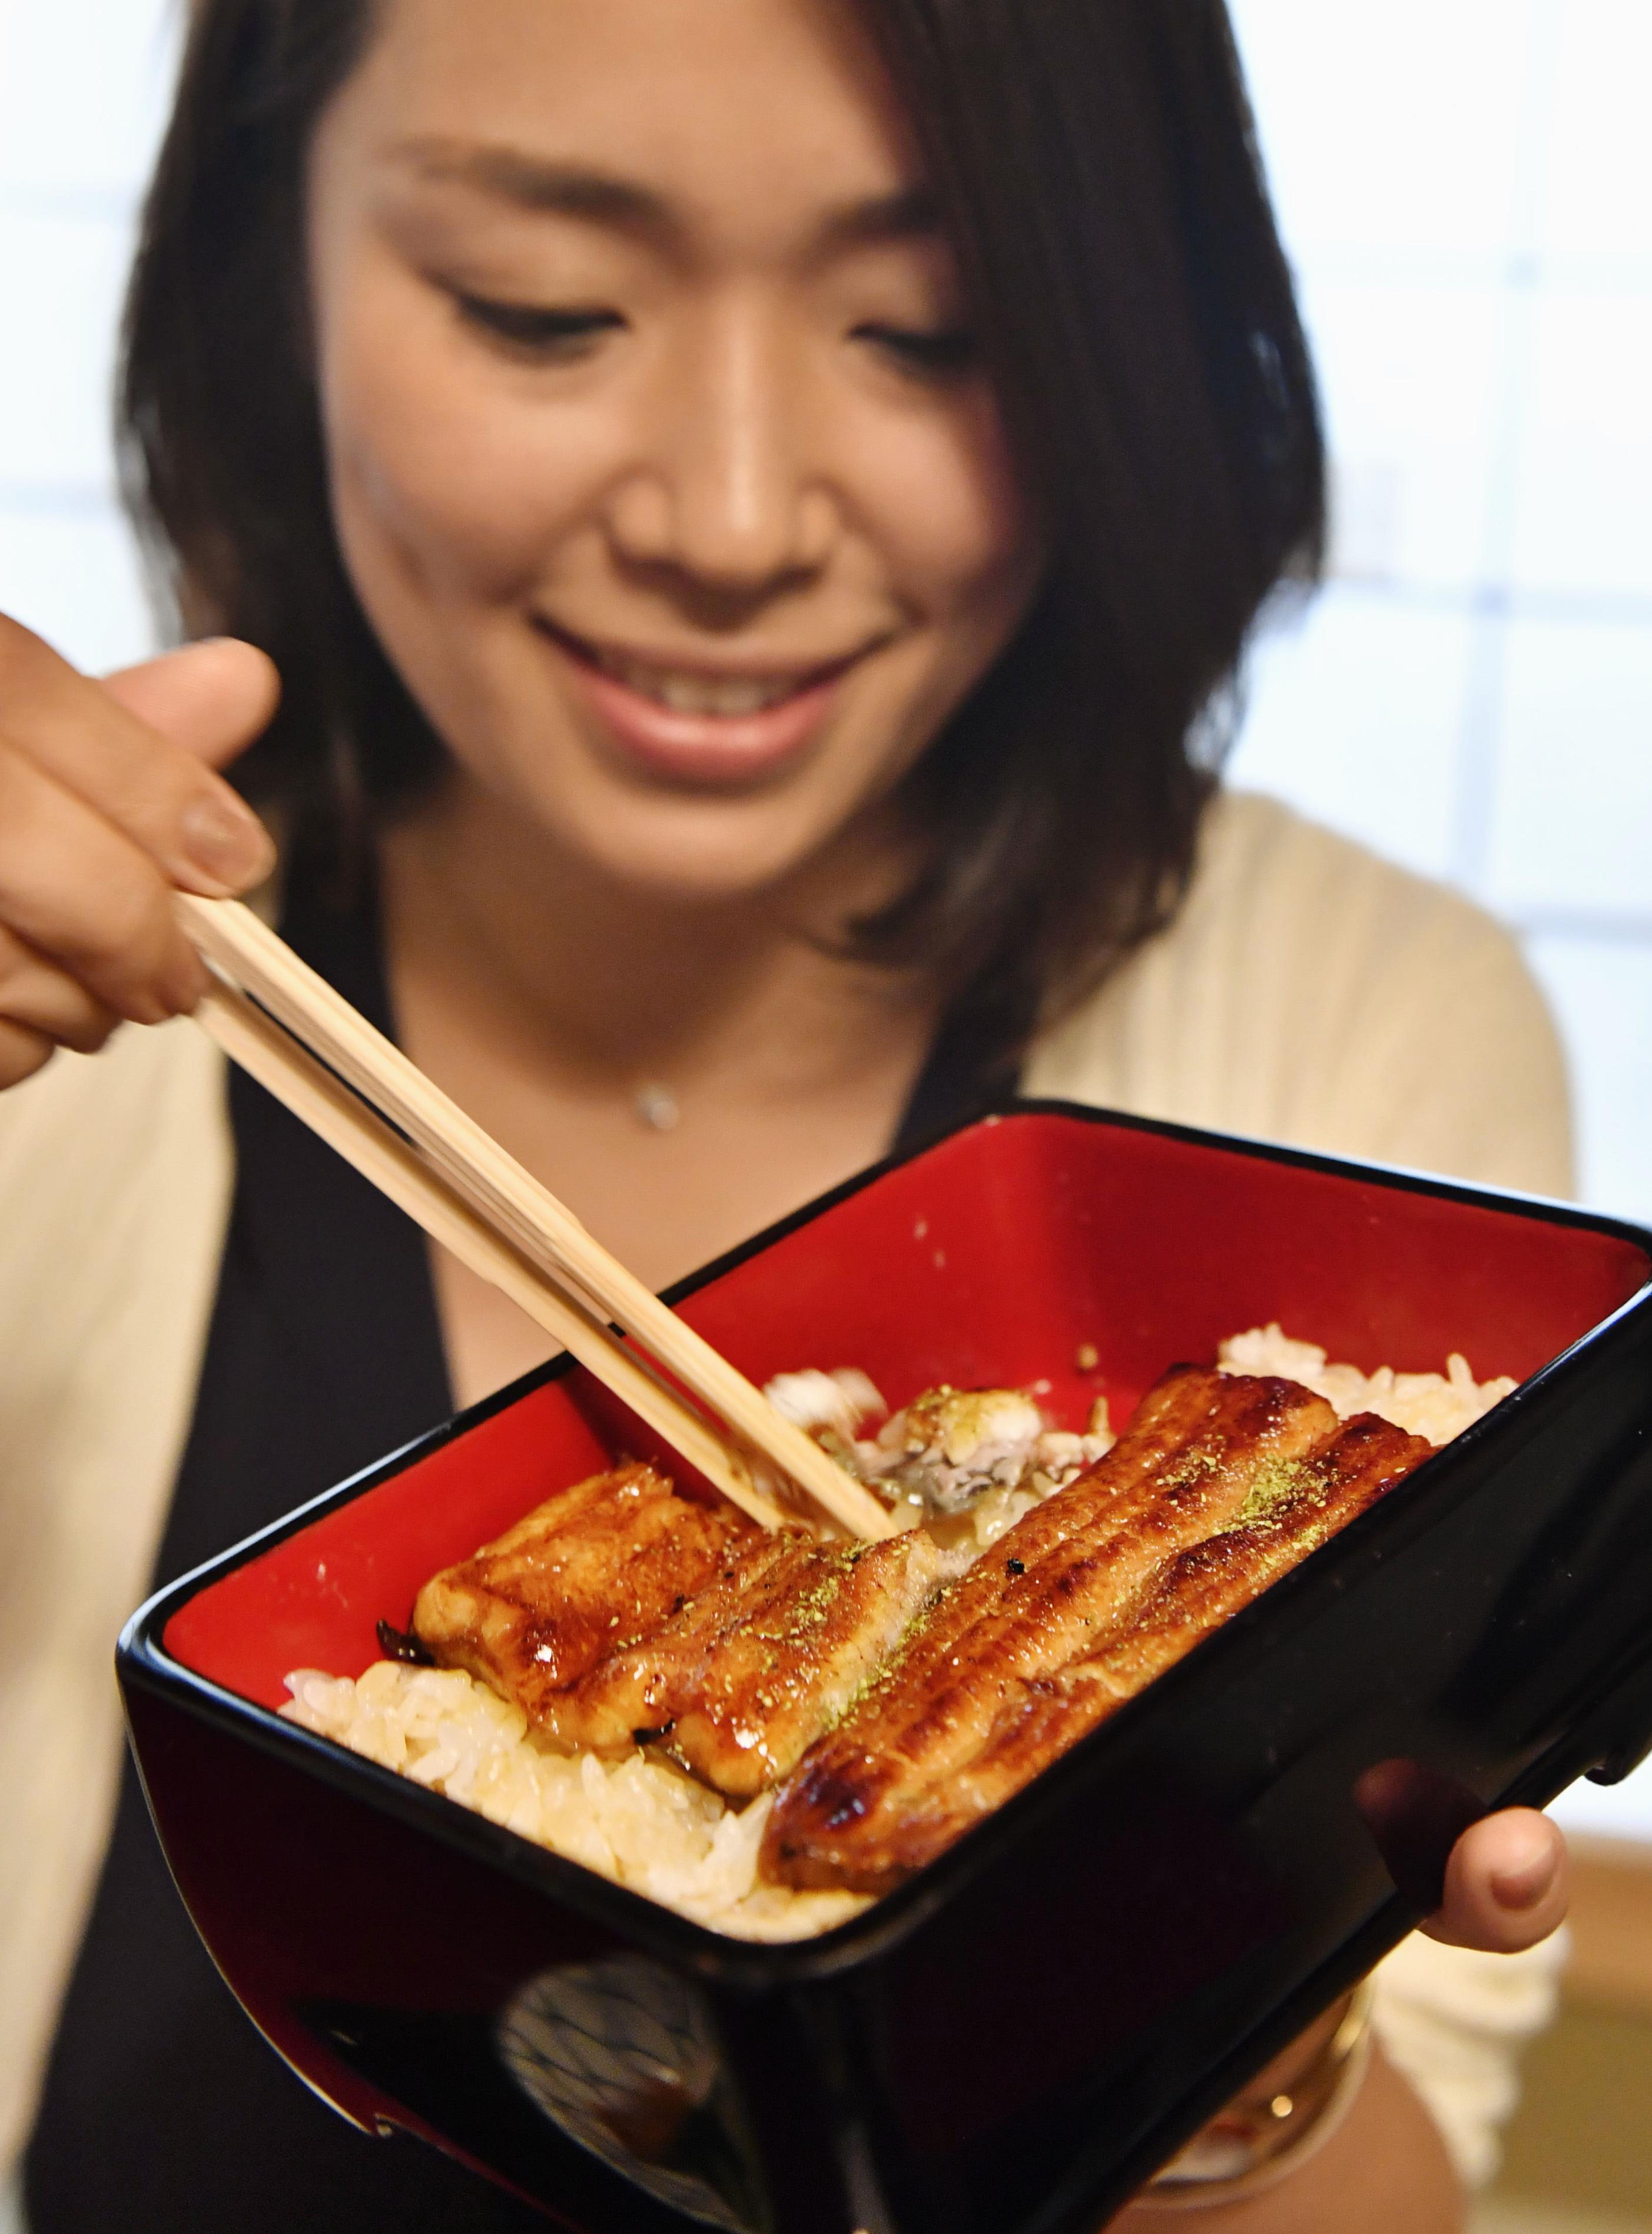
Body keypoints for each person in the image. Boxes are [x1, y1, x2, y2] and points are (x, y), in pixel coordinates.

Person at [0, 1, 1574, 2227]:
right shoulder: (57, 1034)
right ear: (273, 266)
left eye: (932, 331)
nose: (732, 520)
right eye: (544, 310)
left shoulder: (1362, 1042)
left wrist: (1216, 2049)